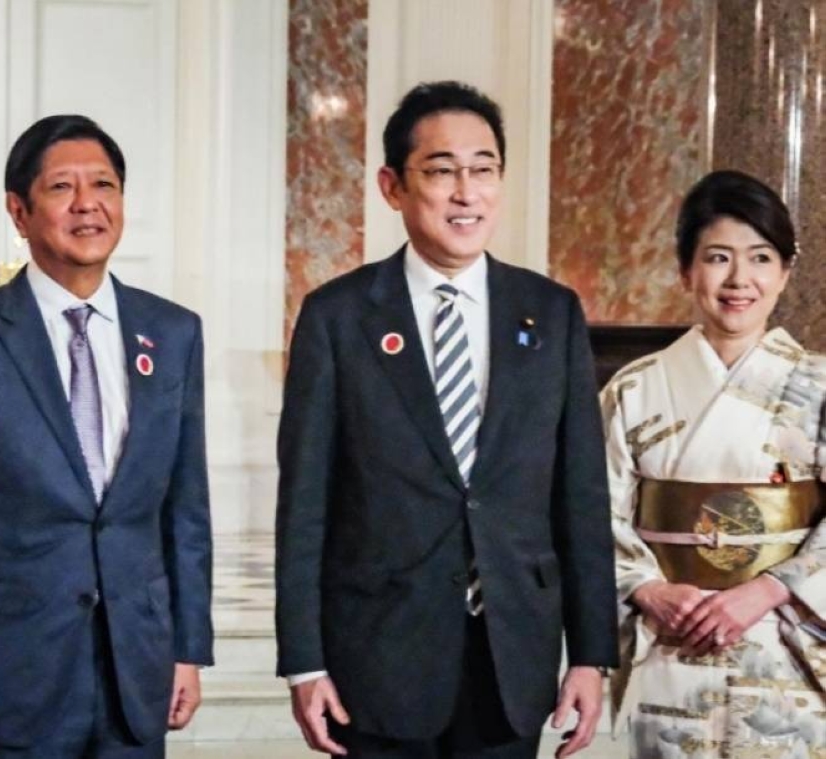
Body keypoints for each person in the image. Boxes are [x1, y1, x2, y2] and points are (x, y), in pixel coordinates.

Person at [274, 80, 618, 758]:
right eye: (440, 170)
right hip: (375, 656)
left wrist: (590, 653)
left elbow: (581, 497)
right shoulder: (338, 317)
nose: (466, 192)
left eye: (483, 169)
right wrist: (304, 661)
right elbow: (304, 501)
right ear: (392, 186)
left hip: (511, 654)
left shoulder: (550, 313)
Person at [0, 114, 213, 758]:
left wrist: (187, 646)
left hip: (136, 672)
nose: (87, 204)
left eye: (104, 184)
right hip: (7, 682)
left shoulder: (173, 332)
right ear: (19, 211)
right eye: (61, 188)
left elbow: (186, 507)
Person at [603, 170, 826, 757]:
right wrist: (647, 588)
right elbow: (590, 512)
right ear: (686, 270)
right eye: (717, 257)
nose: (738, 280)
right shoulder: (634, 389)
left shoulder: (818, 386)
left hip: (786, 645)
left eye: (759, 258)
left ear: (784, 273)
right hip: (670, 643)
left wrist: (770, 590)